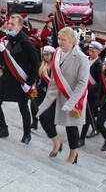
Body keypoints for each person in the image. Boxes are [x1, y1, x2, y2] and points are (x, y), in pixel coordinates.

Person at [37, 27, 89, 164]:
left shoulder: (81, 58)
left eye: (63, 39)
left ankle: (73, 153)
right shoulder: (58, 52)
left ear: (72, 40)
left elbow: (83, 82)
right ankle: (56, 142)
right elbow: (55, 77)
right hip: (56, 94)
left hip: (71, 96)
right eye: (59, 39)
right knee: (43, 116)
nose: (60, 42)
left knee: (70, 126)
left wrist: (72, 102)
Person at [0, 14, 40, 145]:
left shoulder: (27, 43)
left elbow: (36, 64)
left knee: (23, 108)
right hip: (7, 78)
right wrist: (0, 51)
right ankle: (3, 128)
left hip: (20, 81)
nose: (8, 26)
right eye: (8, 23)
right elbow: (0, 60)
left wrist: (29, 83)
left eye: (12, 24)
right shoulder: (5, 40)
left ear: (19, 27)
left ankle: (27, 134)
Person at [78, 41, 104, 147]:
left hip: (92, 94)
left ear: (98, 52)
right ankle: (95, 127)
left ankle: (82, 138)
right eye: (90, 51)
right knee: (87, 114)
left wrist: (88, 88)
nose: (91, 53)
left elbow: (100, 83)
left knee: (88, 114)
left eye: (93, 51)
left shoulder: (100, 65)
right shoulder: (85, 60)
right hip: (82, 91)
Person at [31, 45, 55, 130]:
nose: (45, 57)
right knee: (33, 103)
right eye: (44, 55)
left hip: (51, 91)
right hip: (41, 89)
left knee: (50, 110)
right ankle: (34, 122)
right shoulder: (42, 64)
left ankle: (52, 125)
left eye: (47, 55)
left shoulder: (55, 66)